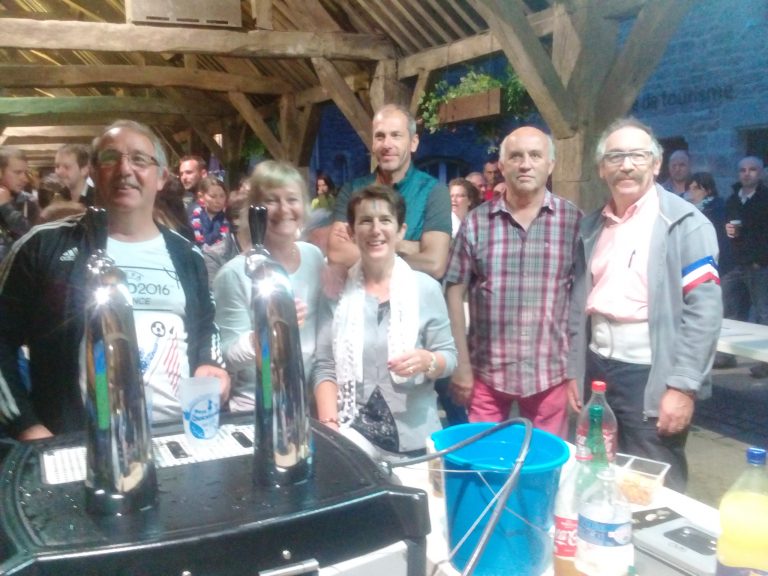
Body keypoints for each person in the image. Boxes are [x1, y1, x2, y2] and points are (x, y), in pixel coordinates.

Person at [0, 120, 229, 440]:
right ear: (93, 172)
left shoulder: (186, 254)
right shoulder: (43, 246)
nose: (125, 169)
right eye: (110, 158)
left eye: (139, 159)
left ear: (161, 178)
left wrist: (210, 362)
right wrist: (26, 425)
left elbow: (206, 325)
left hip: (177, 437)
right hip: (77, 443)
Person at [566, 118, 721, 491]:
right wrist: (575, 368)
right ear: (602, 168)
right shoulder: (590, 227)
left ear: (656, 164)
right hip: (597, 369)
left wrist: (683, 387)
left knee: (653, 483)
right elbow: (577, 304)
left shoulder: (685, 224)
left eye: (637, 155)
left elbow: (704, 312)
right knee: (596, 472)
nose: (626, 165)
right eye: (615, 156)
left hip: (651, 375)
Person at [444, 127, 581, 439]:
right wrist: (461, 364)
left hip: (550, 373)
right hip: (486, 372)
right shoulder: (476, 222)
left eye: (535, 156)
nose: (525, 164)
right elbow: (454, 290)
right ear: (502, 166)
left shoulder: (572, 222)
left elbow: (579, 301)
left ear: (551, 165)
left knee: (544, 459)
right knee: (484, 457)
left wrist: (576, 371)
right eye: (516, 156)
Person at [314, 185, 457, 457]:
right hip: (352, 433)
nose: (376, 229)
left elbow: (449, 357)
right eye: (366, 221)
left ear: (400, 231)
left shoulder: (425, 288)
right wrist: (330, 428)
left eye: (385, 220)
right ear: (352, 232)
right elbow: (325, 367)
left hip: (415, 436)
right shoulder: (337, 292)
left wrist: (428, 360)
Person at [213, 160, 325, 412]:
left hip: (308, 404)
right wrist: (267, 332)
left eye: (292, 199)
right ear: (254, 210)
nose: (284, 209)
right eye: (272, 200)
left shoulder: (314, 257)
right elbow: (226, 357)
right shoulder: (234, 274)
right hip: (256, 409)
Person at [327, 104, 451, 280]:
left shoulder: (434, 192)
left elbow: (434, 264)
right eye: (380, 136)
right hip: (362, 294)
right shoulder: (353, 190)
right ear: (373, 144)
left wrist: (368, 244)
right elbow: (337, 253)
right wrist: (405, 245)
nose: (387, 144)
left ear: (413, 143)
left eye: (396, 135)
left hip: (414, 295)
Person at [718, 156, 768, 377]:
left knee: (763, 314)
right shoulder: (732, 199)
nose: (747, 174)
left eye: (752, 169)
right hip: (735, 264)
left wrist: (761, 259)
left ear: (761, 173)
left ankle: (765, 361)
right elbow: (728, 229)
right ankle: (727, 355)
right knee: (730, 311)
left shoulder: (765, 198)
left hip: (759, 265)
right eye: (743, 170)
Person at [689, 172, 731, 275]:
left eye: (696, 188)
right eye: (690, 188)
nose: (691, 192)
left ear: (708, 191)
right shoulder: (687, 208)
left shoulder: (718, 210)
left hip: (715, 263)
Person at [0, 147, 37, 263]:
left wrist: (5, 207)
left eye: (25, 173)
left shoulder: (29, 202)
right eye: (17, 172)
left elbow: (32, 239)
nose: (25, 179)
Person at [189, 176, 231, 247]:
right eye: (213, 196)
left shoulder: (228, 218)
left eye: (222, 196)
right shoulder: (194, 218)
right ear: (201, 197)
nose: (218, 201)